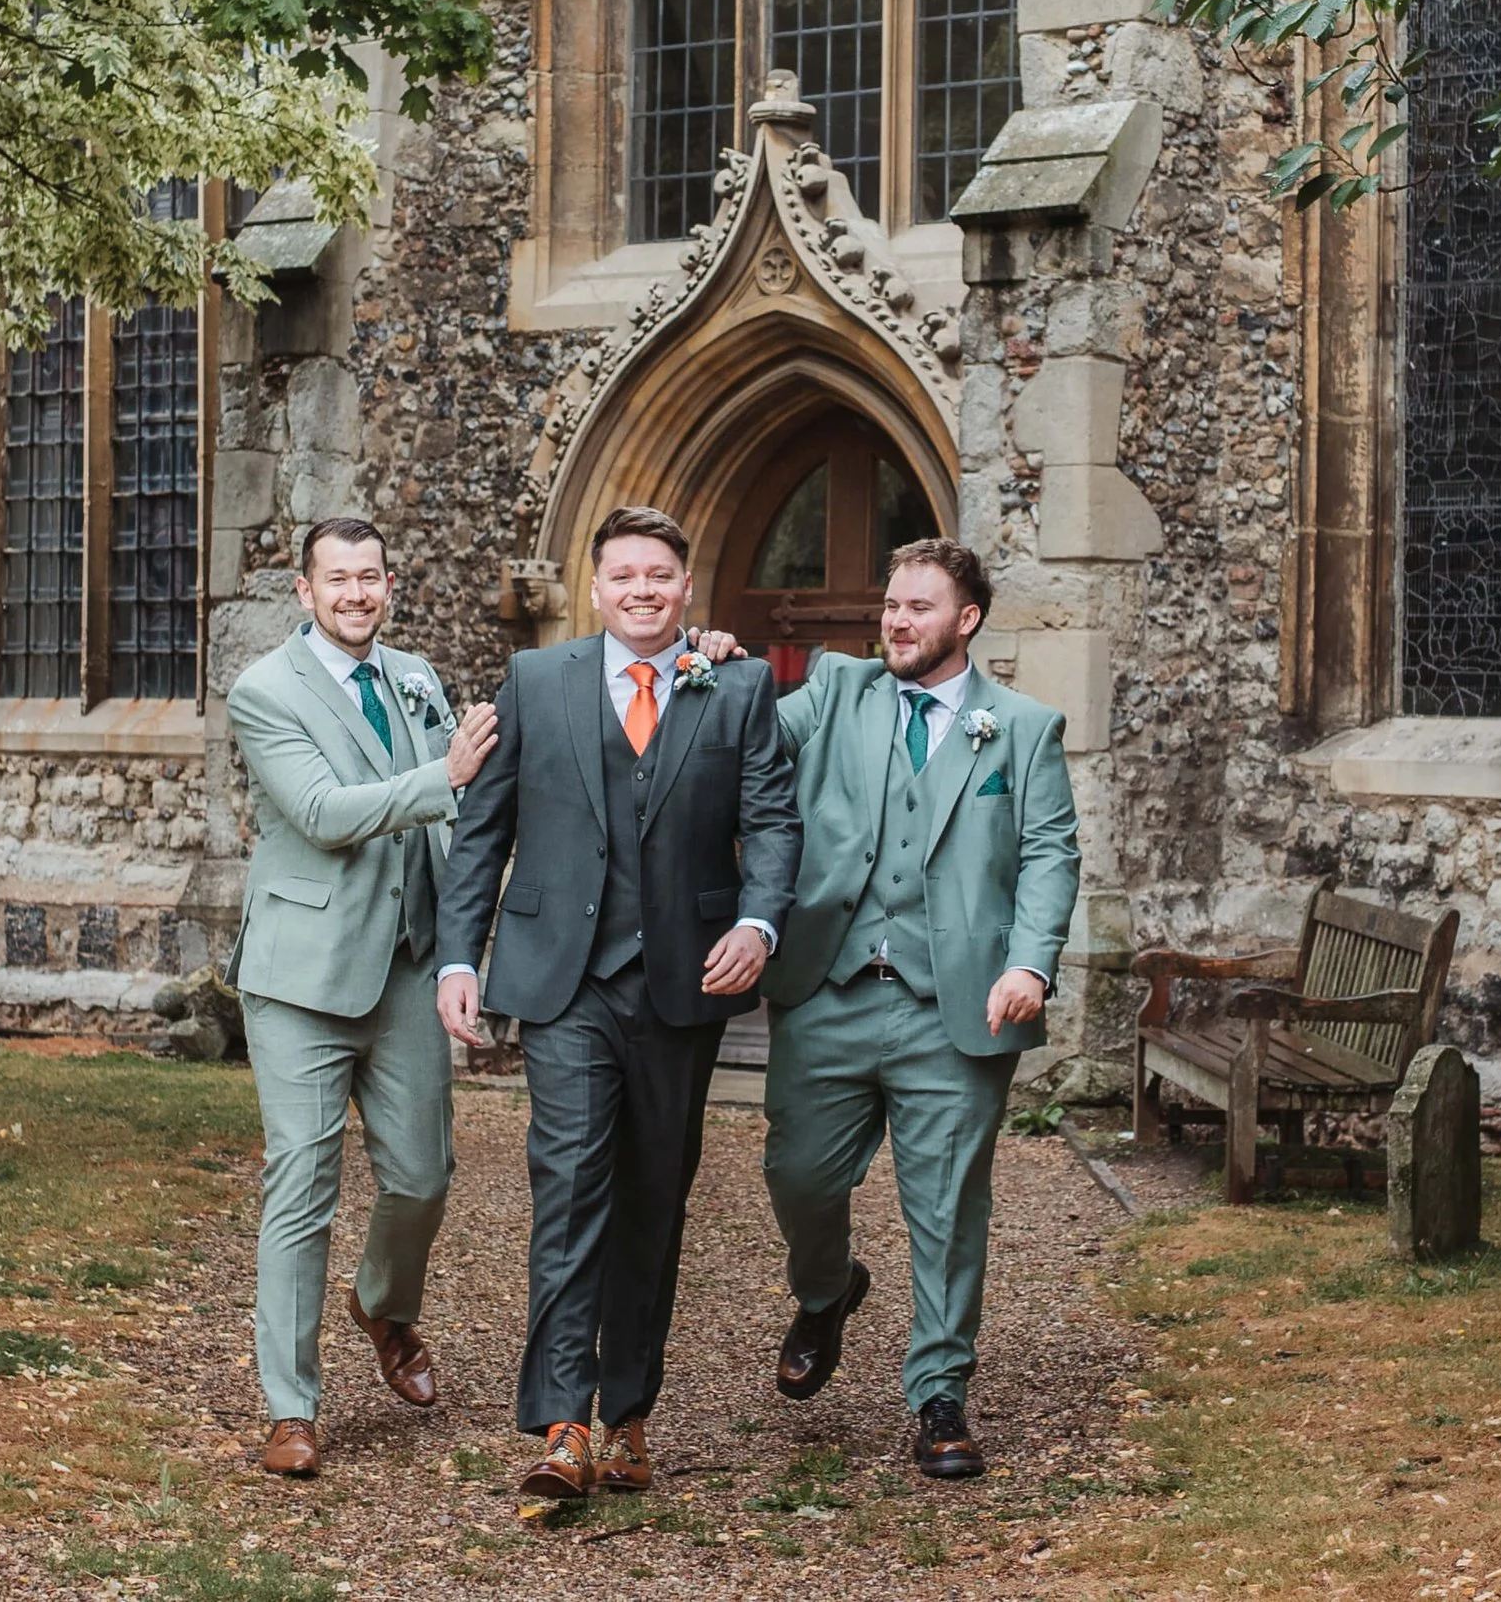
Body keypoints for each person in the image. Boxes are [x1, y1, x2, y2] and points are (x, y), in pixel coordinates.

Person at [435, 505, 801, 1500]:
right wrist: (456, 957)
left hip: (681, 983)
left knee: (651, 1199)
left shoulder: (736, 684)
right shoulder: (536, 681)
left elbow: (771, 817)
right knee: (567, 1189)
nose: (641, 589)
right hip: (565, 981)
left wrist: (760, 922)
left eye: (659, 575)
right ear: (596, 589)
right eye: (623, 575)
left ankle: (627, 1413)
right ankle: (562, 1422)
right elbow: (482, 829)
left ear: (687, 588)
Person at [756, 537, 1080, 1479]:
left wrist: (1032, 966)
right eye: (891, 605)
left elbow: (1051, 856)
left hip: (962, 1008)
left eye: (918, 607)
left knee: (946, 1209)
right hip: (829, 992)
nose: (896, 621)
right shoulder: (839, 688)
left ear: (966, 621)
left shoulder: (1021, 728)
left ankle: (939, 1395)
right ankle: (826, 1291)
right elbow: (755, 741)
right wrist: (714, 671)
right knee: (798, 1177)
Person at [223, 516, 500, 1478]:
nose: (355, 594)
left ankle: (382, 1303)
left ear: (390, 585)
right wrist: (447, 775)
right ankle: (291, 1409)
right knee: (301, 1185)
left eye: (370, 577)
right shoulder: (265, 692)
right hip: (302, 977)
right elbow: (322, 814)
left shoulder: (416, 676)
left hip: (410, 966)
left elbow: (464, 811)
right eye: (336, 579)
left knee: (424, 1175)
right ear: (305, 592)